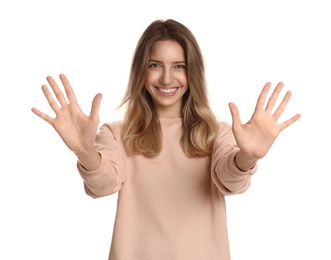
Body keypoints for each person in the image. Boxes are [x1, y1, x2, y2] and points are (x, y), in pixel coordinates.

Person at [31, 19, 300, 260]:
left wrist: (248, 157)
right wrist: (84, 150)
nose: (167, 78)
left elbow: (231, 178)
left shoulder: (217, 133)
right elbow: (104, 184)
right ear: (141, 71)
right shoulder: (117, 134)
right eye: (155, 65)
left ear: (192, 72)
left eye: (179, 66)